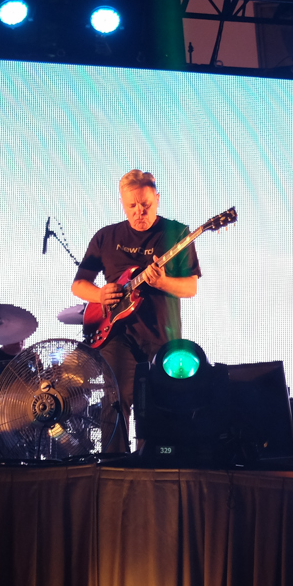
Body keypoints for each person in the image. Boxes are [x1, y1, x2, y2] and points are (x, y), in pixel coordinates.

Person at [71, 169, 201, 452]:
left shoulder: (176, 234)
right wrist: (100, 294)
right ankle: (113, 467)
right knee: (115, 401)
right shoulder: (106, 237)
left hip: (162, 335)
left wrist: (163, 282)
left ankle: (152, 466)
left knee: (157, 407)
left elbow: (191, 287)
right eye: (132, 206)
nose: (139, 212)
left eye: (146, 205)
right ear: (122, 203)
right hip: (117, 334)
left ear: (158, 199)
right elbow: (79, 285)